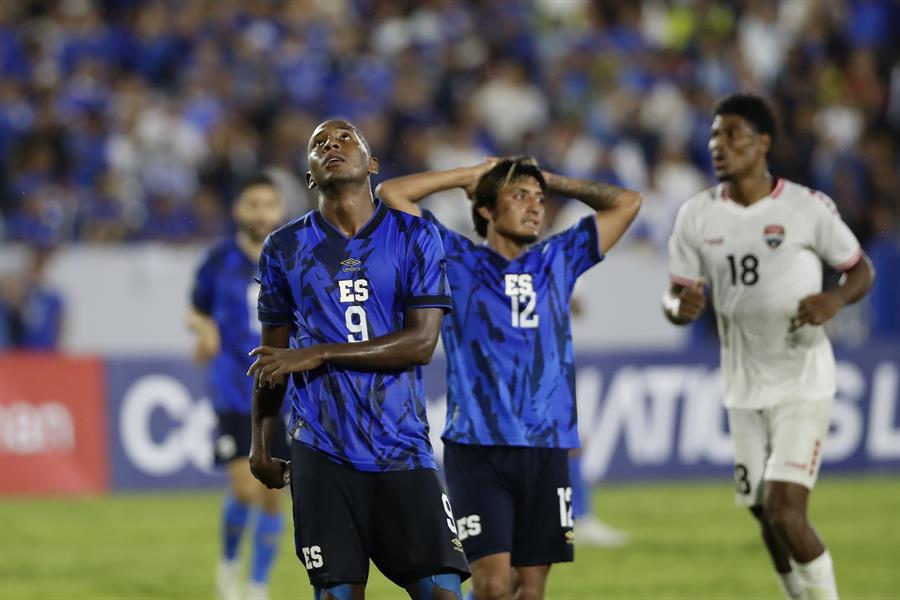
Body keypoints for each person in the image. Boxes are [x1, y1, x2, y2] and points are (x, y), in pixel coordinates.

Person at [376, 156, 641, 600]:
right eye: (519, 196)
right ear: (486, 209)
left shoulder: (559, 257)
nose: (535, 206)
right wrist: (468, 176)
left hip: (547, 446)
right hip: (477, 447)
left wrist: (548, 178)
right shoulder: (455, 258)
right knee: (493, 585)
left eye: (539, 199)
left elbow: (628, 202)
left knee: (530, 589)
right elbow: (390, 195)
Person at [662, 93, 875, 600]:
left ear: (763, 144)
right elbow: (675, 295)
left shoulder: (806, 207)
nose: (718, 144)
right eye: (714, 134)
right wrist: (679, 308)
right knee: (764, 513)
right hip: (742, 386)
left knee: (784, 509)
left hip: (802, 380)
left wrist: (835, 300)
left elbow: (860, 269)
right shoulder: (695, 216)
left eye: (732, 133)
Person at [247, 119, 469, 600]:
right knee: (337, 594)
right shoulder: (283, 248)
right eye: (318, 144)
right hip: (320, 451)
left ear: (371, 164)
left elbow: (421, 343)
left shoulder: (415, 236)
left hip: (402, 445)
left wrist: (320, 351)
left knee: (443, 592)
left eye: (345, 138)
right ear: (310, 175)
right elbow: (274, 361)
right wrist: (261, 444)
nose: (331, 145)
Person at [188, 173, 288, 600]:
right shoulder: (217, 260)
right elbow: (194, 310)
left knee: (273, 494)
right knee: (245, 486)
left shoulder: (292, 256)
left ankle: (257, 585)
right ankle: (230, 565)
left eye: (268, 204)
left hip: (284, 392)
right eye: (253, 204)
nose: (261, 212)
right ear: (238, 210)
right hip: (233, 387)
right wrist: (205, 329)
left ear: (280, 210)